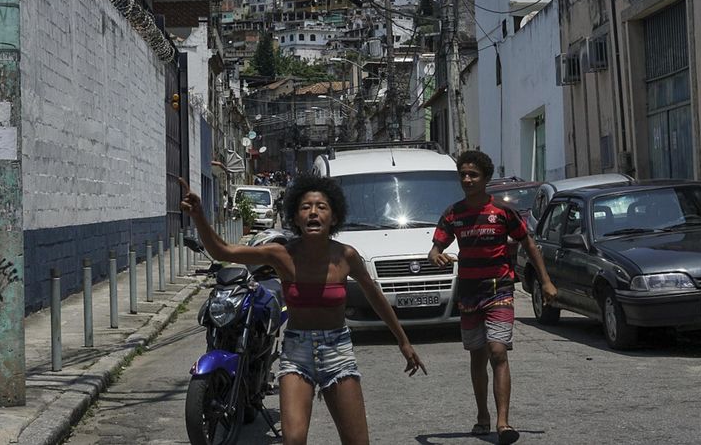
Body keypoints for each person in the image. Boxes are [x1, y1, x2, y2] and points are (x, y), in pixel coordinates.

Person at [179, 175, 426, 445]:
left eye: (321, 207)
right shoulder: (281, 255)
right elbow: (223, 250)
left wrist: (403, 341)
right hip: (297, 353)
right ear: (295, 218)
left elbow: (374, 295)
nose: (313, 212)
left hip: (338, 352)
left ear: (333, 217)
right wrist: (199, 216)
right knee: (294, 439)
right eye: (306, 207)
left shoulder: (346, 256)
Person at [428, 150, 557, 445]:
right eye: (463, 174)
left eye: (473, 174)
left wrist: (546, 281)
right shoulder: (453, 213)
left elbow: (528, 242)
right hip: (469, 293)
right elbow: (435, 247)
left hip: (499, 289)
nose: (467, 179)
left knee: (498, 351)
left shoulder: (502, 211)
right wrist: (436, 255)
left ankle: (503, 423)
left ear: (485, 178)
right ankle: (482, 414)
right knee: (478, 355)